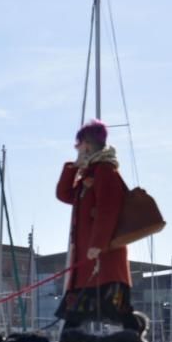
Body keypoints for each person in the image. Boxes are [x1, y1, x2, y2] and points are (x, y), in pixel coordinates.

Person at [55, 119, 139, 331]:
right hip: (88, 263)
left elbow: (108, 210)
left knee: (119, 312)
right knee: (74, 316)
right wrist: (73, 168)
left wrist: (97, 244)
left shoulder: (105, 171)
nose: (76, 148)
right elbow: (64, 195)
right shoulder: (90, 174)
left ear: (86, 145)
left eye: (78, 144)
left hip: (102, 260)